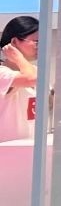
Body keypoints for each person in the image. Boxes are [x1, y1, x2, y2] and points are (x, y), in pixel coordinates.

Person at [0, 15, 40, 143]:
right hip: (7, 149)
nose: (40, 46)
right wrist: (17, 57)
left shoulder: (35, 70)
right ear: (14, 42)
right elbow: (30, 79)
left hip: (33, 147)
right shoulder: (3, 73)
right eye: (36, 42)